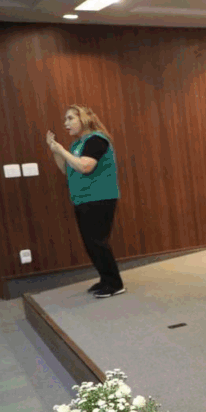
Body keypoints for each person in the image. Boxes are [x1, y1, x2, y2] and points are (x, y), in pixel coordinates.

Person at [45, 105, 125, 298]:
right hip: (83, 198)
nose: (66, 123)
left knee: (98, 242)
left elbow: (85, 167)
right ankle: (106, 279)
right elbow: (66, 170)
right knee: (91, 244)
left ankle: (115, 284)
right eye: (65, 119)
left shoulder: (96, 140)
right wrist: (56, 151)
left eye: (70, 118)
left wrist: (61, 150)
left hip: (100, 198)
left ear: (84, 119)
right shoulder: (77, 145)